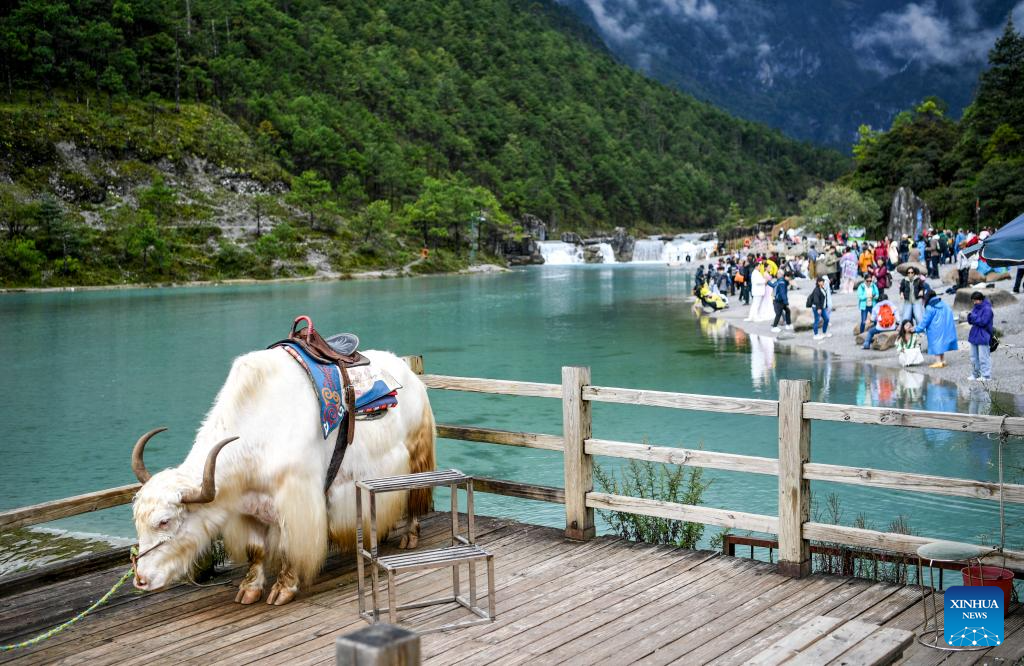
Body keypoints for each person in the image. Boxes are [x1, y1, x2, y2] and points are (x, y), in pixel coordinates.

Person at [915, 290, 958, 368]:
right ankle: (943, 360)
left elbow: (925, 321)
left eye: (923, 298)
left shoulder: (930, 307)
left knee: (936, 344)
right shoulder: (943, 303)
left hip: (934, 328)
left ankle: (938, 362)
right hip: (944, 327)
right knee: (940, 344)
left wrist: (916, 329)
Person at [966, 291, 994, 381]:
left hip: (984, 335)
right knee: (973, 357)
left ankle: (986, 376)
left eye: (975, 301)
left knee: (983, 357)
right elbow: (972, 320)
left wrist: (973, 317)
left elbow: (983, 322)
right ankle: (975, 374)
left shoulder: (987, 309)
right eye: (973, 301)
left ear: (980, 299)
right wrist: (970, 317)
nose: (974, 303)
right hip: (974, 334)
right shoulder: (976, 307)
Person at [806, 276, 830, 341]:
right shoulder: (816, 290)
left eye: (823, 281)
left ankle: (824, 332)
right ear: (818, 282)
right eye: (822, 281)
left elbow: (824, 299)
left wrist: (826, 306)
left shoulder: (822, 288)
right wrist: (818, 308)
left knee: (826, 319)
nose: (823, 282)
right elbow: (816, 300)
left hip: (822, 307)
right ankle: (815, 334)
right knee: (817, 320)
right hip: (817, 307)